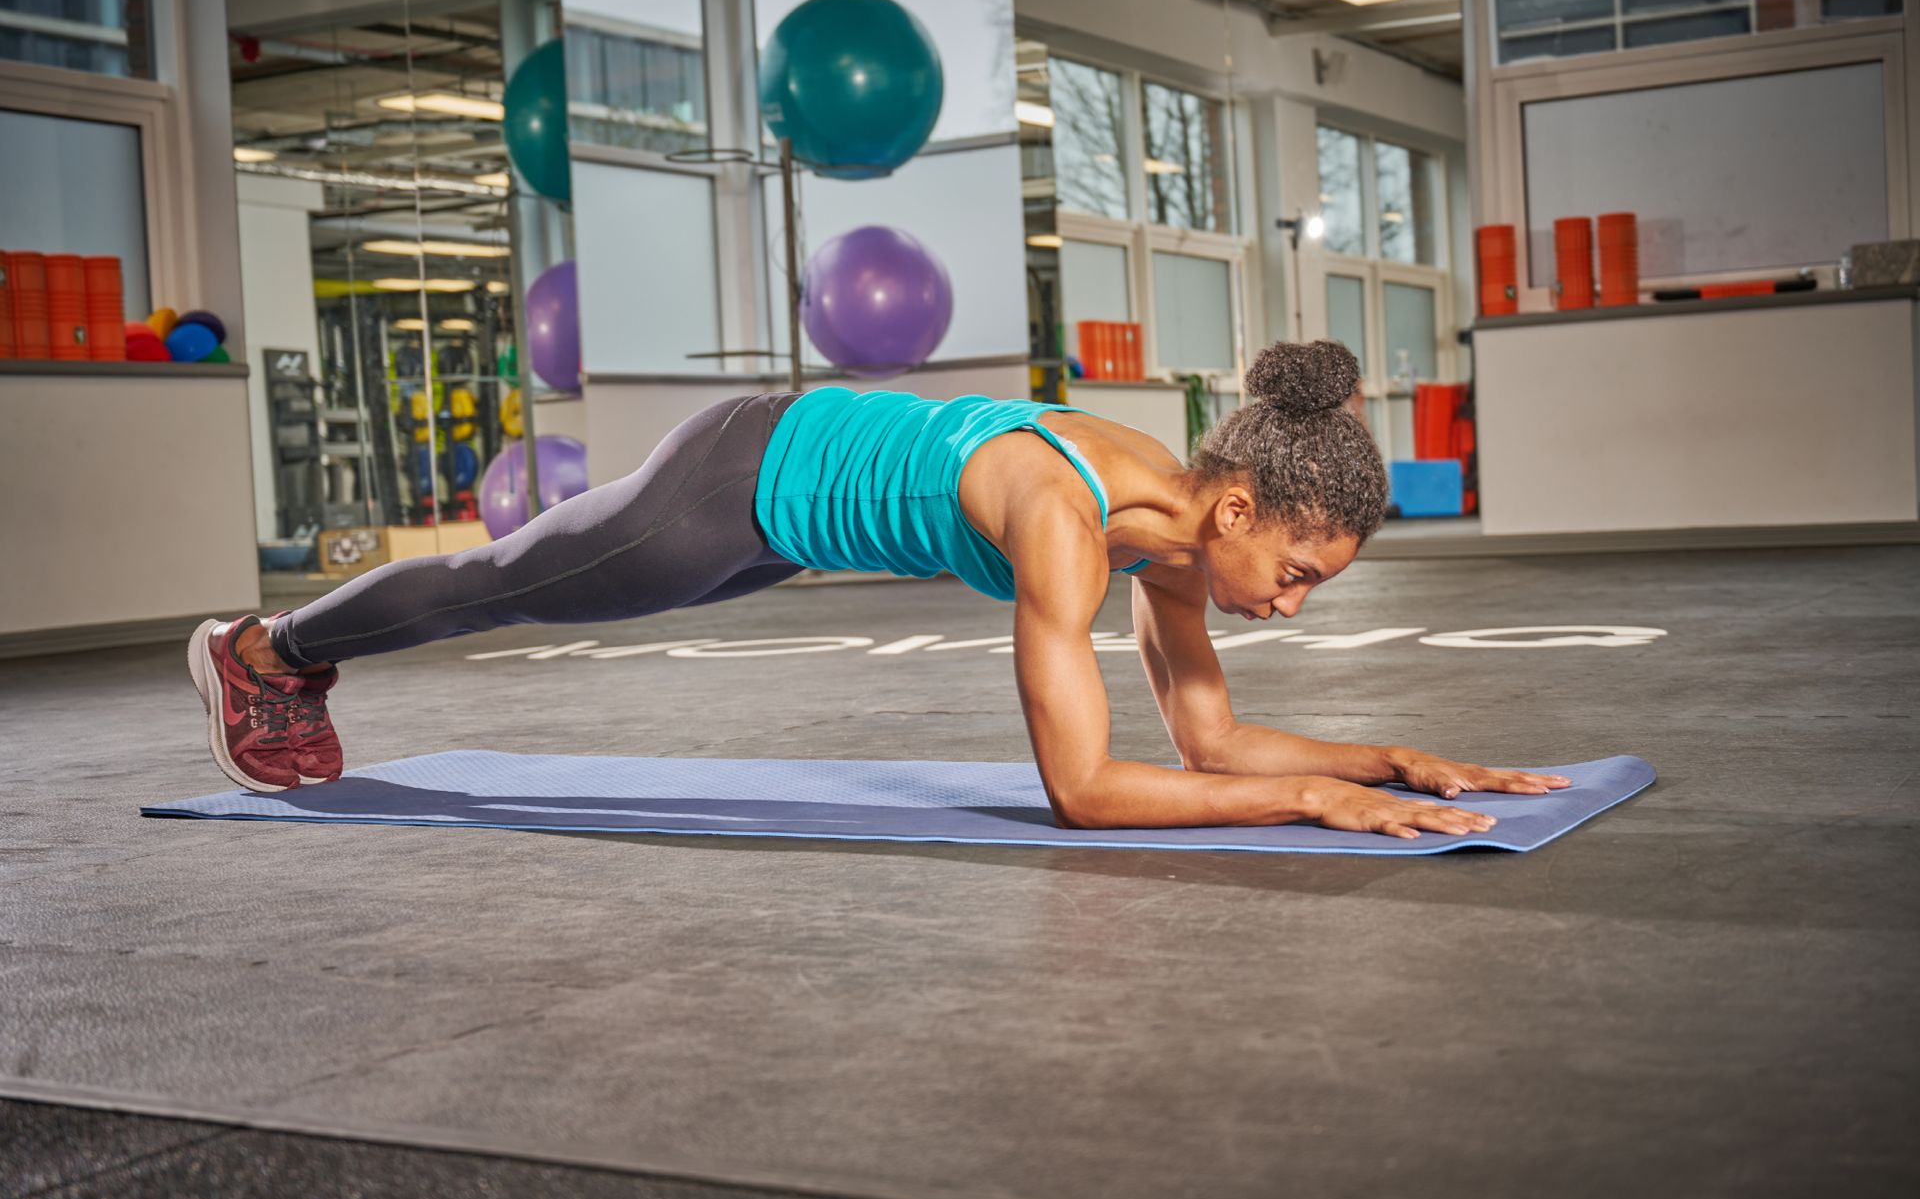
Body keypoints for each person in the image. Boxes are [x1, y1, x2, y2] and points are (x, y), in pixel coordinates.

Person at [189, 339, 1568, 837]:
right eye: (1298, 571)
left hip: (786, 531)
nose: (1293, 605)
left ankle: (284, 648)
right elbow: (1086, 795)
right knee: (504, 586)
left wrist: (1382, 759)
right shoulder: (1072, 527)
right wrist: (1313, 798)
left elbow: (1206, 747)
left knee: (516, 590)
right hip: (736, 482)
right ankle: (263, 647)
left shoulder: (1173, 534)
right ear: (1238, 509)